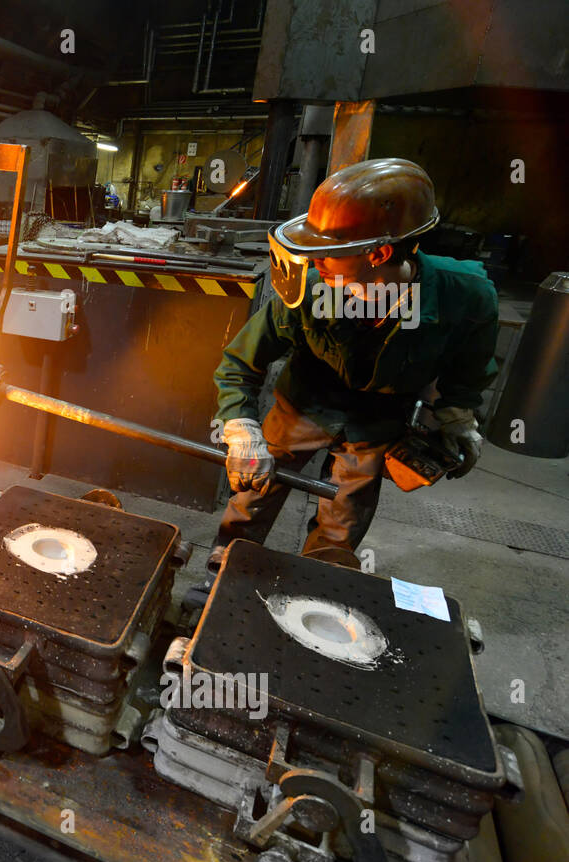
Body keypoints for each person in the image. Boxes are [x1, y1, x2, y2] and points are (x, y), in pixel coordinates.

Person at [208, 157, 498, 571]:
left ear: (378, 253)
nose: (315, 262)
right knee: (254, 494)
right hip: (301, 408)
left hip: (377, 424)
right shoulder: (311, 289)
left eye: (328, 253)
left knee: (341, 527)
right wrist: (240, 428)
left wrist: (458, 416)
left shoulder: (464, 296)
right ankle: (224, 573)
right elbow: (241, 361)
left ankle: (318, 592)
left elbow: (468, 369)